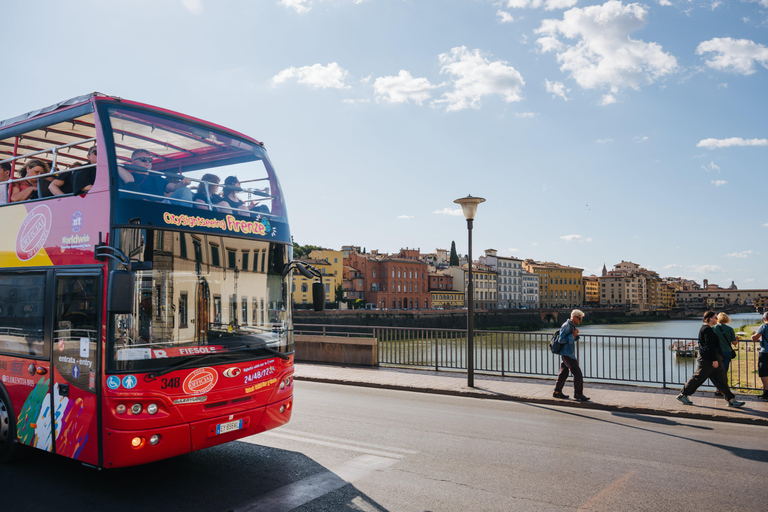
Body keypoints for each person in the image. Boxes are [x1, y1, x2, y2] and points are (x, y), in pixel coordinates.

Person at [677, 311, 745, 407]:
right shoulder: (707, 330)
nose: (717, 319)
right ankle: (682, 394)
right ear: (710, 319)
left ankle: (731, 399)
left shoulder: (708, 328)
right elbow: (709, 346)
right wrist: (714, 360)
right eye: (715, 317)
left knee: (722, 379)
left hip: (712, 358)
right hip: (708, 360)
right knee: (698, 377)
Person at [118, 149, 190, 198]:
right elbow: (130, 182)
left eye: (149, 160)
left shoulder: (158, 178)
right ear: (133, 162)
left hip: (161, 207)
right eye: (143, 159)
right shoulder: (128, 175)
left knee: (185, 190)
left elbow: (174, 187)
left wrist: (183, 183)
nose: (147, 162)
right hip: (141, 206)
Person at [553, 309, 590, 402]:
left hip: (567, 353)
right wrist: (572, 336)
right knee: (577, 373)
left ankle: (557, 392)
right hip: (567, 354)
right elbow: (561, 340)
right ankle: (578, 394)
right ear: (574, 317)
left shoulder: (571, 325)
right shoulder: (566, 326)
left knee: (563, 373)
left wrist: (575, 335)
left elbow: (570, 339)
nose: (580, 321)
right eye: (579, 319)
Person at [712, 312, 738, 396]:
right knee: (724, 371)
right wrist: (736, 339)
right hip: (727, 352)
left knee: (716, 371)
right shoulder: (730, 329)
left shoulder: (714, 328)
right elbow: (734, 343)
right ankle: (722, 389)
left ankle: (718, 388)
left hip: (717, 353)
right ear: (727, 319)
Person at [751, 312, 768, 400]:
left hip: (765, 353)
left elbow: (755, 338)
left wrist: (752, 336)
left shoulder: (764, 326)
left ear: (764, 319)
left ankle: (767, 392)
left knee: (764, 372)